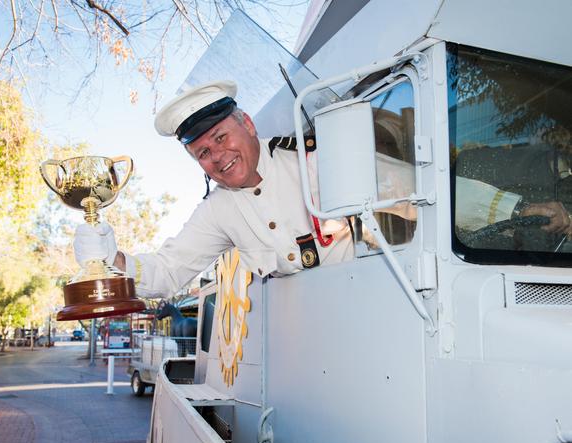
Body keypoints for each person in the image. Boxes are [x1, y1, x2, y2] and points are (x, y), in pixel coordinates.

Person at [74, 80, 571, 298]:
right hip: (304, 352)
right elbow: (165, 272)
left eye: (220, 137)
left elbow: (426, 189)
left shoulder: (313, 156)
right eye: (201, 153)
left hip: (372, 308)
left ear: (246, 124)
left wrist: (519, 205)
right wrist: (111, 258)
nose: (217, 157)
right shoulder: (218, 212)